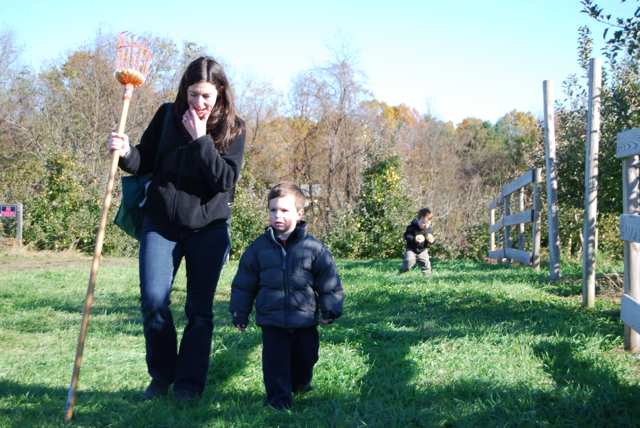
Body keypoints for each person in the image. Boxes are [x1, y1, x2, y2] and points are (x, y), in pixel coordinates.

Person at [107, 57, 246, 401]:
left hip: (208, 230)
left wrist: (201, 140)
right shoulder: (167, 114)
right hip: (161, 226)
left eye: (206, 97)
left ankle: (188, 385)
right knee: (154, 302)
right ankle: (161, 377)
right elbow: (146, 160)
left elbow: (225, 180)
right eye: (193, 94)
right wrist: (126, 153)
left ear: (221, 96)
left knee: (199, 312)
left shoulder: (234, 128)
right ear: (185, 90)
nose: (198, 103)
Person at [229, 182, 344, 410]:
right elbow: (244, 284)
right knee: (275, 362)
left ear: (299, 214)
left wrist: (330, 308)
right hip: (272, 319)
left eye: (284, 210)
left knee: (306, 358)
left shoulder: (314, 248)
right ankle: (278, 400)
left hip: (304, 319)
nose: (277, 215)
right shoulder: (258, 248)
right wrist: (240, 313)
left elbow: (329, 281)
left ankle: (301, 383)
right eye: (273, 210)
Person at [398, 207, 435, 276]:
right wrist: (414, 239)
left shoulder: (428, 230)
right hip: (411, 249)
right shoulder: (411, 227)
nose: (425, 225)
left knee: (426, 263)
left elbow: (431, 238)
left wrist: (432, 241)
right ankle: (402, 273)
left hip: (423, 250)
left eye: (428, 223)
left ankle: (427, 276)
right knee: (409, 261)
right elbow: (407, 236)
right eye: (423, 222)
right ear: (418, 220)